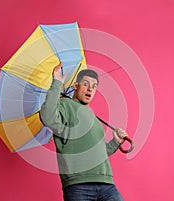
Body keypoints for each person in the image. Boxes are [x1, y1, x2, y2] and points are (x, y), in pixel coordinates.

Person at [40, 62, 128, 201]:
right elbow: (48, 117)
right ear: (76, 86)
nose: (90, 89)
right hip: (78, 185)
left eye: (94, 86)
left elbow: (99, 152)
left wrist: (115, 142)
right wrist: (57, 83)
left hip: (106, 183)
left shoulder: (93, 116)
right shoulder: (64, 105)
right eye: (86, 84)